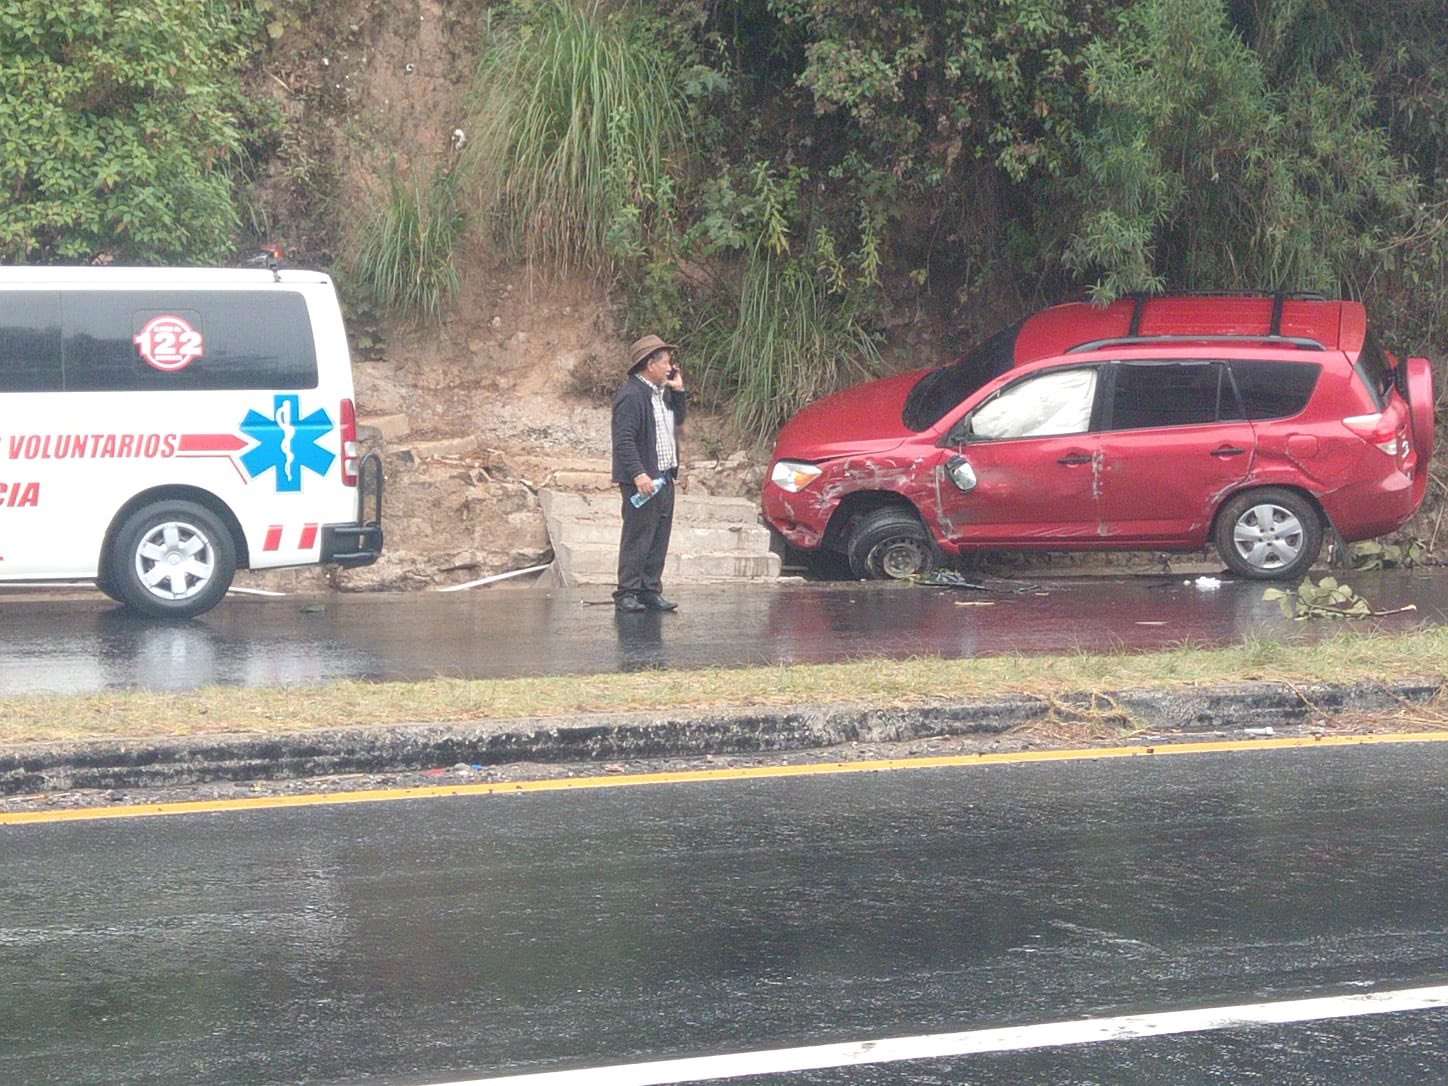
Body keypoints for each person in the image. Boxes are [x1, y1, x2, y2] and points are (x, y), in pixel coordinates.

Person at [611, 334, 686, 613]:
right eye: (665, 361)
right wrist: (638, 474)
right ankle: (627, 592)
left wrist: (678, 391)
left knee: (658, 535)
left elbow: (679, 421)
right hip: (643, 479)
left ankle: (650, 589)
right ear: (649, 364)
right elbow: (624, 440)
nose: (670, 367)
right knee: (638, 535)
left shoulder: (660, 393)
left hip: (664, 476)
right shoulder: (631, 395)